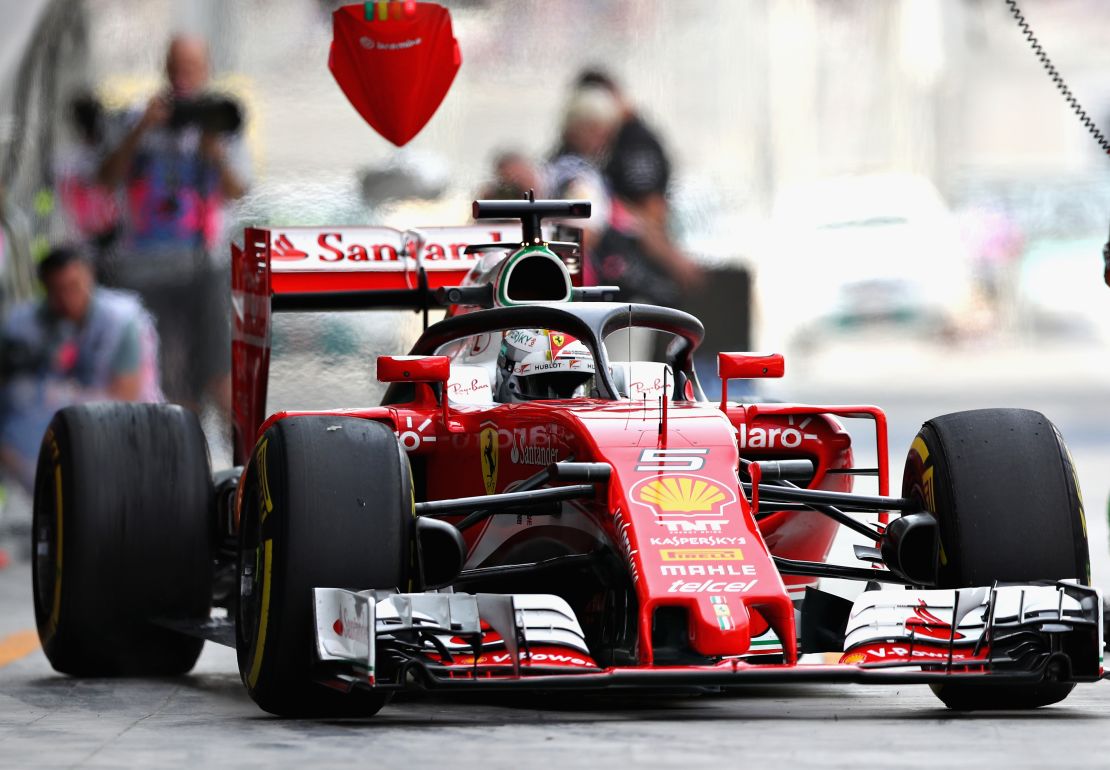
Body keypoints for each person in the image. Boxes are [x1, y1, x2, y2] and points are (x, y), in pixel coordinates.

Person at [97, 35, 249, 414]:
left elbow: (237, 191)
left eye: (192, 68)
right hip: (144, 267)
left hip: (204, 265)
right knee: (166, 378)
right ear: (165, 68)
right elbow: (106, 179)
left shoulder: (219, 119)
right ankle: (185, 458)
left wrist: (215, 154)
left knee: (219, 370)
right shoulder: (138, 117)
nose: (184, 76)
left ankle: (246, 464)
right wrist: (141, 130)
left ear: (206, 70)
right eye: (178, 67)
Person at [0, 246, 161, 491]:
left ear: (90, 277)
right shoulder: (21, 327)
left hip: (114, 430)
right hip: (40, 439)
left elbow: (127, 398)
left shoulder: (121, 321)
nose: (67, 298)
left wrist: (64, 396)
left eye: (73, 286)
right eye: (57, 290)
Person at [574, 69, 702, 305]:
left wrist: (669, 256)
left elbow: (649, 213)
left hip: (635, 269)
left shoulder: (633, 142)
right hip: (612, 270)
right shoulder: (580, 156)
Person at [546, 86, 622, 255]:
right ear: (575, 129)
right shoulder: (575, 173)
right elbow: (583, 234)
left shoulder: (561, 167)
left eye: (605, 133)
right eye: (594, 131)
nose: (602, 140)